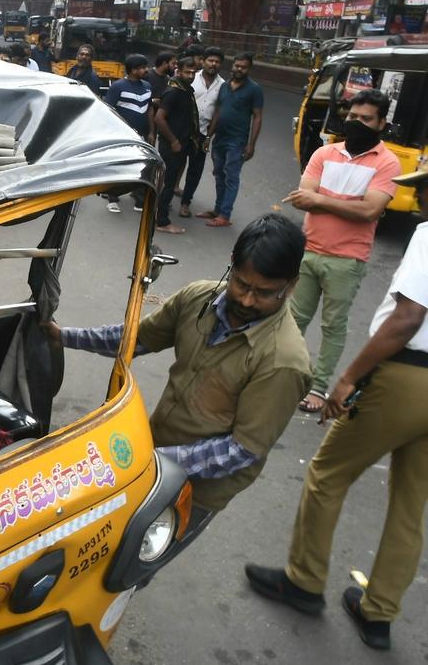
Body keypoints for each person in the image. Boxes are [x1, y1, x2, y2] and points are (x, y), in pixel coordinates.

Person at [244, 168, 428, 653]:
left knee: (327, 474)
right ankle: (379, 613)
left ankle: (304, 580)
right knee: (411, 505)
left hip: (408, 375)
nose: (420, 196)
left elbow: (408, 317)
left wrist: (348, 378)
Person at [49, 214, 310, 525]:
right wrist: (64, 336)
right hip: (150, 454)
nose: (247, 300)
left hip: (196, 490)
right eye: (240, 283)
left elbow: (242, 450)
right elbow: (137, 339)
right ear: (231, 265)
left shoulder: (284, 361)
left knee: (135, 564)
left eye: (265, 293)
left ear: (291, 286)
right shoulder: (198, 297)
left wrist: (153, 464)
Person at [282, 88, 402, 414]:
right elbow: (303, 194)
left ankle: (319, 388)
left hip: (348, 259)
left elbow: (369, 211)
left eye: (366, 119)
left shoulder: (388, 163)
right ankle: (282, 378)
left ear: (381, 124)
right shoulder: (325, 153)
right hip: (309, 251)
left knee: (333, 327)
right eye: (352, 117)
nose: (356, 123)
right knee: (294, 319)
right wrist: (347, 203)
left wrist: (321, 200)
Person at [201, 53, 264, 228]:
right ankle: (218, 209)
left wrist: (251, 144)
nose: (239, 69)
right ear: (233, 66)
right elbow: (218, 112)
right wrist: (209, 136)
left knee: (231, 177)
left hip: (237, 142)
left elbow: (258, 117)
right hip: (220, 138)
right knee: (219, 174)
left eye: (243, 67)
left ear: (249, 69)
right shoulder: (224, 86)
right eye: (237, 66)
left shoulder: (254, 89)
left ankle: (225, 215)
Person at [103, 53, 154, 214]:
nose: (146, 70)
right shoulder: (117, 86)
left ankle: (139, 198)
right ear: (132, 70)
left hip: (142, 136)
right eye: (142, 68)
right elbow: (108, 110)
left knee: (141, 166)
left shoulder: (147, 86)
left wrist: (152, 131)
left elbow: (150, 109)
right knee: (118, 166)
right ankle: (112, 198)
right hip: (121, 135)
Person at [154, 56, 199, 235]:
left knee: (169, 183)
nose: (190, 76)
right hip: (171, 146)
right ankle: (162, 221)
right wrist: (173, 141)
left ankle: (159, 214)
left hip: (181, 145)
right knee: (168, 183)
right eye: (187, 72)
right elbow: (159, 118)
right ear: (178, 71)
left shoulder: (185, 90)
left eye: (193, 73)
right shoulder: (174, 92)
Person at [181, 46, 224, 218]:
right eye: (210, 60)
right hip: (183, 130)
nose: (213, 64)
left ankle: (185, 203)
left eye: (217, 62)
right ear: (203, 62)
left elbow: (217, 113)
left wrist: (208, 136)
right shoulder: (191, 77)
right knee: (174, 166)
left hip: (202, 133)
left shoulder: (223, 86)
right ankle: (165, 198)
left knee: (195, 170)